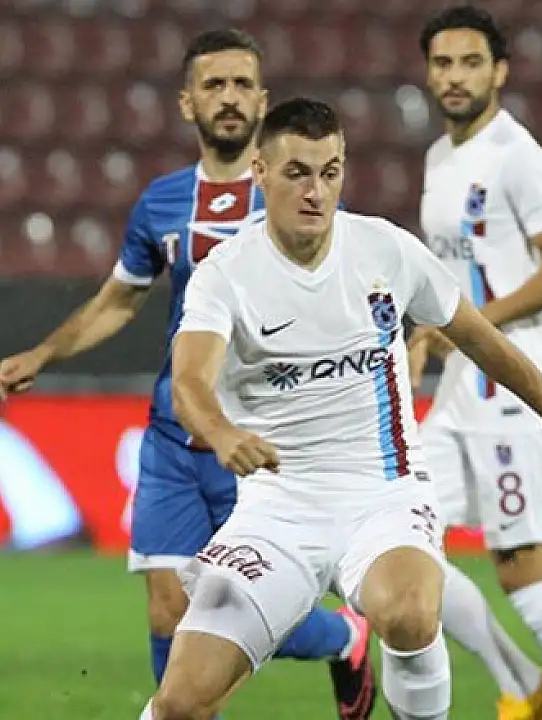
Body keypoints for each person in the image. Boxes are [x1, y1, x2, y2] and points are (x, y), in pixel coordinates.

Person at [139, 97, 542, 720]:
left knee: (410, 612)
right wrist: (222, 432)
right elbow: (190, 382)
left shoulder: (385, 250)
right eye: (297, 173)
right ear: (260, 171)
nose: (315, 192)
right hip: (276, 509)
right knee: (181, 701)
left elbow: (481, 340)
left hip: (383, 494)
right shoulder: (225, 275)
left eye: (330, 172)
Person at [0, 30, 375, 719]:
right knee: (169, 607)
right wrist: (43, 355)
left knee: (252, 607)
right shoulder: (162, 203)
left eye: (241, 85)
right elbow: (121, 298)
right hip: (175, 432)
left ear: (262, 100)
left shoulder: (303, 197)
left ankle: (344, 638)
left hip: (261, 439)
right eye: (214, 85)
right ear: (187, 103)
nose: (228, 98)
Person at [410, 6, 542, 720]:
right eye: (443, 63)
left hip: (512, 386)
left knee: (520, 563)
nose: (455, 76)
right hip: (458, 387)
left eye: (470, 62)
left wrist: (471, 326)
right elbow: (448, 278)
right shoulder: (439, 159)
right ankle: (525, 684)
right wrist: (426, 335)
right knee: (398, 535)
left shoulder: (518, 156)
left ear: (499, 71)